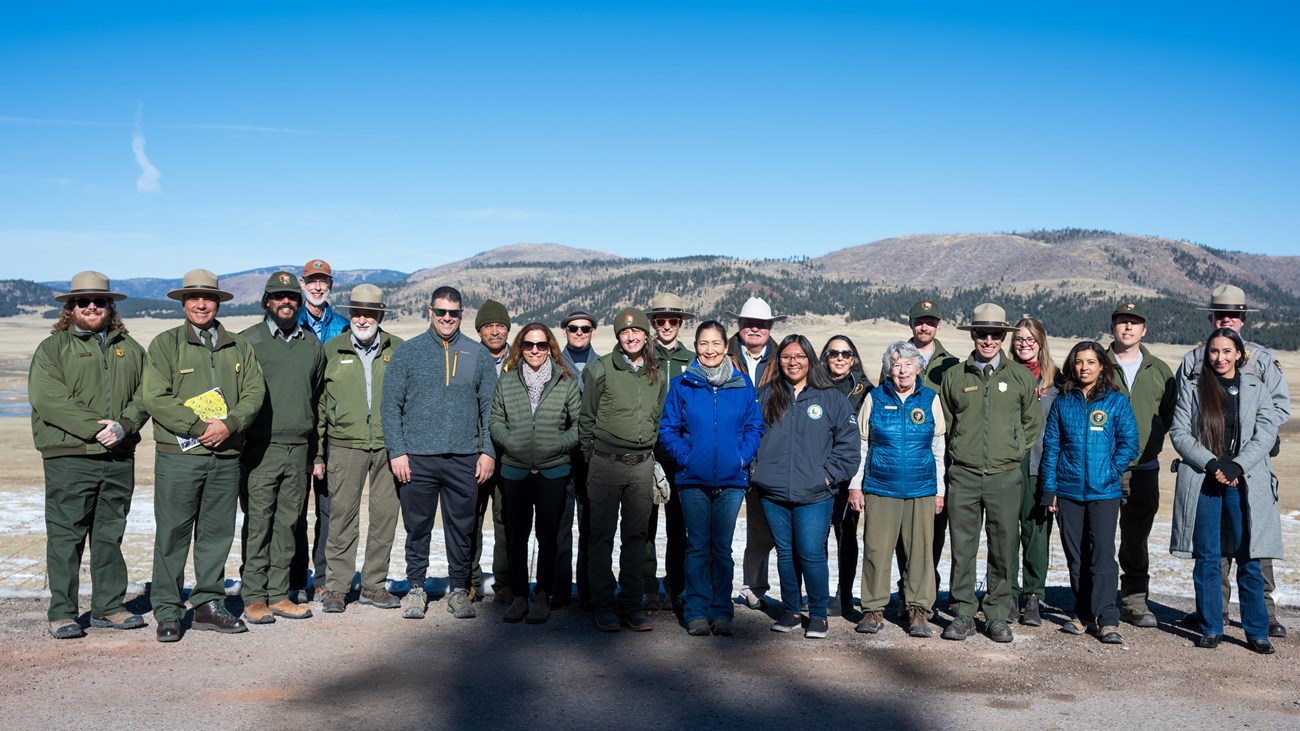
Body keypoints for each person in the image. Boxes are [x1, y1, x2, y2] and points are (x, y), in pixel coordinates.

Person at [143, 269, 265, 642]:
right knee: (173, 533)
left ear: (217, 302)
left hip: (226, 455)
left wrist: (230, 424)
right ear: (183, 303)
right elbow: (154, 396)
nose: (201, 304)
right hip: (179, 457)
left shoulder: (238, 346)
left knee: (216, 533)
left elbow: (254, 392)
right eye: (194, 298)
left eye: (208, 298)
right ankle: (166, 609)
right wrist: (198, 427)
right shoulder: (165, 344)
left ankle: (208, 605)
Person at [30, 272, 148, 639]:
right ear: (70, 308)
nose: (92, 306)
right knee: (66, 536)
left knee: (110, 534)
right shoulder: (53, 349)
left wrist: (125, 426)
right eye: (83, 301)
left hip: (118, 457)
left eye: (99, 301)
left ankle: (108, 607)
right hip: (70, 456)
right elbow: (48, 398)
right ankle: (63, 612)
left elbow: (146, 394)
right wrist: (96, 428)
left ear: (111, 306)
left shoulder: (130, 348)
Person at [1177, 284, 1290, 638]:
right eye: (1221, 314)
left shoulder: (1263, 359)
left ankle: (1264, 617)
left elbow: (1277, 412)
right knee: (1211, 549)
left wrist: (1242, 461)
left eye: (1235, 314)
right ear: (1211, 317)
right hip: (1208, 470)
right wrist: (1213, 463)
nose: (1228, 319)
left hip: (1250, 468)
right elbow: (1180, 418)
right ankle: (1213, 615)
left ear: (1243, 319)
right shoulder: (1193, 359)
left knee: (1253, 548)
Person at [381, 286, 497, 621]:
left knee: (462, 528)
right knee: (417, 527)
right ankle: (416, 587)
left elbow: (489, 408)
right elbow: (391, 406)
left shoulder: (476, 354)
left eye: (454, 313)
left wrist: (487, 450)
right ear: (430, 312)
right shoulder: (409, 352)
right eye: (441, 312)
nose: (447, 318)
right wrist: (397, 451)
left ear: (462, 315)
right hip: (417, 458)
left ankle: (459, 589)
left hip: (464, 457)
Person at [939, 303, 1041, 643]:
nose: (988, 340)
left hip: (1005, 476)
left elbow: (1031, 424)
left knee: (1003, 547)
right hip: (964, 476)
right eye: (982, 333)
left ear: (1003, 337)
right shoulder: (955, 375)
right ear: (972, 334)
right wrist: (962, 453)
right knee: (962, 548)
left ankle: (997, 614)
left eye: (995, 334)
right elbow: (949, 424)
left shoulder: (1020, 377)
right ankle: (964, 612)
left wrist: (1011, 451)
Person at [658, 320, 764, 636]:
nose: (710, 350)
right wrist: (687, 457)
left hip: (732, 480)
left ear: (726, 347)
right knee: (697, 548)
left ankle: (721, 611)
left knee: (721, 548)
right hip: (692, 480)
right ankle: (696, 611)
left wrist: (742, 457)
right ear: (696, 346)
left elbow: (753, 427)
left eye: (716, 343)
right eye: (703, 343)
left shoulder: (742, 385)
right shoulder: (682, 385)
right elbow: (668, 429)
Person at [751, 335, 859, 640]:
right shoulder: (765, 395)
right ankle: (791, 610)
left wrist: (827, 476)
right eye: (786, 357)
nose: (793, 362)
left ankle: (819, 614)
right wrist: (755, 471)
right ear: (779, 360)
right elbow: (748, 436)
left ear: (810, 359)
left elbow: (849, 446)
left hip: (815, 493)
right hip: (772, 492)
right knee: (785, 553)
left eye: (799, 356)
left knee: (811, 552)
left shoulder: (830, 398)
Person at [237, 272, 326, 624]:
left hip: (298, 448)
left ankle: (278, 594)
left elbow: (316, 399)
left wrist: (314, 451)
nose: (285, 302)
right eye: (278, 296)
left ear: (299, 301)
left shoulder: (311, 345)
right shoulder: (248, 342)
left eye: (291, 296)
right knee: (259, 524)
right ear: (267, 301)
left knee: (289, 524)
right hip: (260, 449)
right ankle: (253, 596)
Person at [1039, 341, 1138, 645]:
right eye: (1079, 362)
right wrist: (1049, 488)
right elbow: (1052, 447)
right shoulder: (1063, 402)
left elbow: (1129, 444)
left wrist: (1109, 472)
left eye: (1091, 362)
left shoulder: (1115, 402)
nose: (1084, 368)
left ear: (1102, 367)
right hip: (1068, 492)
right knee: (1076, 557)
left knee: (1102, 556)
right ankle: (1082, 614)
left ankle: (1107, 618)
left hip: (1104, 492)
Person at [579, 308, 668, 632]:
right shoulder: (600, 370)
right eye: (624, 333)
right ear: (618, 337)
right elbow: (586, 420)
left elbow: (657, 416)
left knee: (636, 537)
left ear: (646, 335)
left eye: (637, 332)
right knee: (600, 536)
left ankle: (632, 605)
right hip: (605, 464)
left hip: (641, 466)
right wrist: (593, 459)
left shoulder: (656, 374)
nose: (631, 337)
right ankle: (603, 605)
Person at [848, 341, 945, 638]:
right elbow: (862, 445)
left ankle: (918, 612)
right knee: (876, 550)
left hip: (921, 488)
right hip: (880, 487)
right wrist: (856, 485)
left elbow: (938, 448)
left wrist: (939, 490)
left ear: (918, 368)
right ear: (888, 369)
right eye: (895, 364)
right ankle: (873, 610)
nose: (901, 370)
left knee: (920, 553)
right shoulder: (874, 399)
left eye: (907, 364)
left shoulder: (930, 399)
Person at [318, 284, 404, 613]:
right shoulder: (332, 350)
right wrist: (317, 453)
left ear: (380, 316)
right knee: (342, 517)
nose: (363, 319)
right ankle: (337, 588)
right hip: (343, 445)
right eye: (357, 313)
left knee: (384, 517)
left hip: (387, 446)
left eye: (370, 313)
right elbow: (321, 405)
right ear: (350, 315)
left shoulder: (398, 349)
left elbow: (408, 401)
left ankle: (373, 585)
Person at [488, 323, 581, 624]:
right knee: (516, 537)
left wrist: (559, 444)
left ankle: (542, 594)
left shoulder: (565, 380)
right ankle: (518, 596)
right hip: (515, 471)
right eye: (529, 345)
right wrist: (511, 442)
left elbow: (579, 425)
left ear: (550, 347)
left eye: (541, 345)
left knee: (548, 537)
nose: (535, 351)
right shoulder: (508, 380)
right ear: (520, 347)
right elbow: (495, 421)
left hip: (553, 471)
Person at [1106, 301, 1176, 629]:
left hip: (1144, 469)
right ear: (1113, 327)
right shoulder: (1095, 363)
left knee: (1136, 537)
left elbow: (1170, 416)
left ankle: (1134, 600)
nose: (1128, 328)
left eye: (1134, 323)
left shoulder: (1160, 370)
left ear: (1144, 329)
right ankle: (1099, 599)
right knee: (1098, 536)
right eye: (1122, 322)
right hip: (1101, 467)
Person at [894, 300, 961, 615]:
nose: (924, 327)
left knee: (933, 530)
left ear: (938, 325)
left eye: (930, 322)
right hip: (902, 460)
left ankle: (924, 593)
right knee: (902, 533)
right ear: (911, 323)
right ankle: (907, 591)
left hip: (938, 457)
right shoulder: (895, 357)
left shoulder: (953, 364)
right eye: (919, 321)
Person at [291, 258, 349, 602]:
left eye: (322, 281)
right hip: (298, 425)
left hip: (333, 429)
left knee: (328, 509)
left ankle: (324, 577)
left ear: (330, 284)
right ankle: (295, 577)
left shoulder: (343, 326)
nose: (317, 287)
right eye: (312, 281)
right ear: (302, 282)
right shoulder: (288, 321)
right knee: (293, 508)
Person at [724, 296, 786, 611]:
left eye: (761, 324)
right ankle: (713, 587)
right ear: (739, 325)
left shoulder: (784, 358)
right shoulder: (722, 353)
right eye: (749, 323)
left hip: (766, 452)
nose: (755, 329)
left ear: (770, 327)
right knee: (717, 525)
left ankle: (754, 587)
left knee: (762, 530)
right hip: (726, 452)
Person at [645, 292, 695, 613]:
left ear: (679, 323)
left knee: (679, 524)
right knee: (644, 524)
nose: (666, 326)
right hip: (645, 451)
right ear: (653, 323)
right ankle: (648, 587)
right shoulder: (641, 356)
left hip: (680, 452)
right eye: (660, 320)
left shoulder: (692, 361)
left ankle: (677, 586)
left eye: (672, 320)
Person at [1008, 317, 1058, 626]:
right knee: (1005, 534)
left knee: (1036, 533)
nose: (1024, 344)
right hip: (1008, 464)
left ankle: (1033, 596)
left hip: (1041, 466)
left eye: (1030, 339)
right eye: (1018, 339)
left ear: (1041, 342)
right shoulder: (1003, 374)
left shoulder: (1057, 382)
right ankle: (1007, 594)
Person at [820, 334, 871, 620]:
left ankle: (844, 595)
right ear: (824, 357)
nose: (840, 358)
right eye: (833, 353)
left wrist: (857, 482)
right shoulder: (813, 385)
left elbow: (866, 438)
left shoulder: (865, 390)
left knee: (846, 536)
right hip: (816, 474)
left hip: (849, 475)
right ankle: (819, 593)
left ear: (854, 358)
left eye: (846, 353)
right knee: (816, 538)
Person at [556, 308, 600, 608]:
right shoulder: (551, 363)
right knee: (559, 526)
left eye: (585, 328)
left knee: (591, 525)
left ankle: (588, 589)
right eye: (574, 328)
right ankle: (559, 589)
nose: (579, 333)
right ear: (565, 331)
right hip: (560, 455)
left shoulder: (606, 365)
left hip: (593, 457)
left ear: (593, 332)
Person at [470, 299, 512, 603]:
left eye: (500, 326)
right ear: (479, 330)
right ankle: (470, 580)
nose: (494, 331)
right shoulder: (468, 357)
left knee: (507, 521)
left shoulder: (523, 359)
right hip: (473, 453)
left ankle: (505, 583)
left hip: (510, 454)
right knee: (470, 519)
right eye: (488, 326)